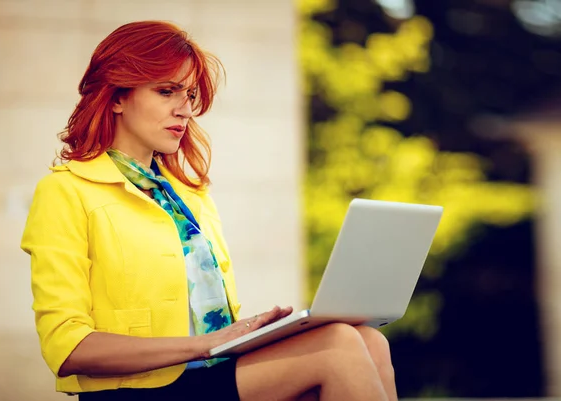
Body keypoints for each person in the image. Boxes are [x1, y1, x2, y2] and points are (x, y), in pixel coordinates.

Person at [20, 20, 397, 401]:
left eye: (189, 95)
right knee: (337, 347)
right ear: (117, 96)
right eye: (167, 91)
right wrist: (204, 345)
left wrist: (256, 332)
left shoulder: (189, 194)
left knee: (368, 339)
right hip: (141, 389)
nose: (184, 110)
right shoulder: (65, 190)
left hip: (214, 373)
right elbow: (68, 348)